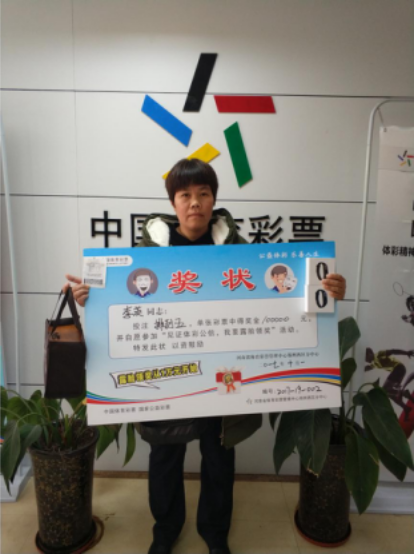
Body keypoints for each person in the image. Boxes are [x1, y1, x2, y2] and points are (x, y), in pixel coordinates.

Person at [64, 159, 347, 554]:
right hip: (167, 379)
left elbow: (283, 297)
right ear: (173, 202)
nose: (194, 202)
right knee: (165, 457)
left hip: (224, 380)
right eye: (185, 195)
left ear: (214, 200)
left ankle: (215, 532)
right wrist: (88, 298)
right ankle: (165, 530)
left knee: (219, 458)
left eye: (203, 193)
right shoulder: (144, 255)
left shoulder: (242, 254)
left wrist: (327, 289)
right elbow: (116, 307)